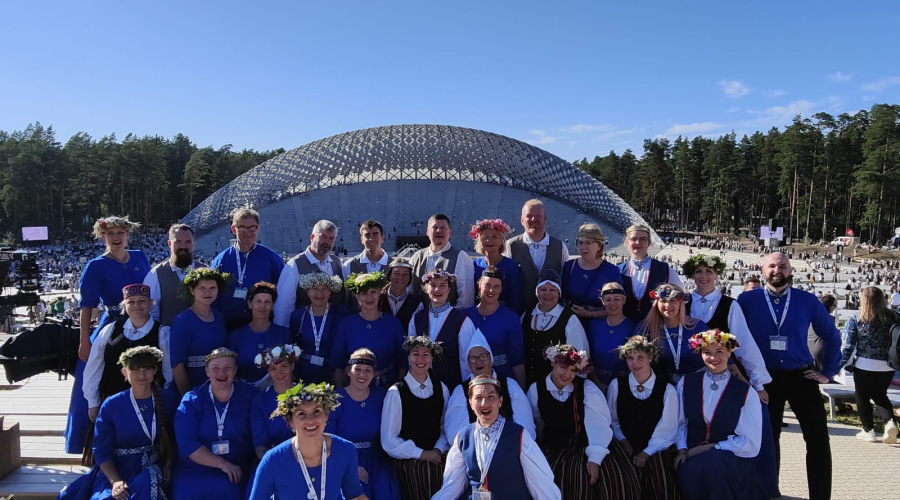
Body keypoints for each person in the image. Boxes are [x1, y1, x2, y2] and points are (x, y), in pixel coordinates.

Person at [737, 252, 841, 500]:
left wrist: (827, 373)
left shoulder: (807, 300)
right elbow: (735, 337)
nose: (778, 270)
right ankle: (768, 494)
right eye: (772, 266)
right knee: (767, 441)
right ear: (763, 271)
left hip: (801, 376)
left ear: (791, 270)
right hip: (764, 380)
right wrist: (743, 374)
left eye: (783, 265)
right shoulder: (747, 300)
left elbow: (832, 335)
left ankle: (820, 496)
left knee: (817, 440)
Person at [683, 254, 777, 496]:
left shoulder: (729, 305)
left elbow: (744, 344)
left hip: (722, 375)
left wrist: (757, 382)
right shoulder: (682, 302)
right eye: (699, 271)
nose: (704, 276)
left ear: (717, 274)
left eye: (709, 271)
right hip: (688, 379)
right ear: (692, 275)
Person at [68, 216, 152, 454]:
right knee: (90, 371)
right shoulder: (96, 265)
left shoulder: (140, 257)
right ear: (102, 236)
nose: (116, 238)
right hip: (113, 324)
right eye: (110, 234)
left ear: (128, 235)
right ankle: (87, 439)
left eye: (120, 233)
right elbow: (87, 306)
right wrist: (85, 340)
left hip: (143, 322)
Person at [58, 346, 179, 500]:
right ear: (125, 372)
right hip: (116, 468)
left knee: (145, 485)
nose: (142, 375)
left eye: (147, 369)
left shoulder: (169, 399)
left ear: (155, 370)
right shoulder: (112, 405)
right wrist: (115, 481)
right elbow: (101, 448)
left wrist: (168, 464)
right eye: (135, 369)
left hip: (152, 465)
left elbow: (175, 439)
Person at [526, 344, 639, 500]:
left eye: (573, 370)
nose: (567, 374)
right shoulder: (536, 390)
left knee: (614, 481)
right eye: (563, 367)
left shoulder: (587, 389)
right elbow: (537, 424)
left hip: (591, 442)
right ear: (553, 363)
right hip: (556, 446)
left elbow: (599, 425)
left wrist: (595, 458)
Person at [673, 330, 767, 500]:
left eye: (719, 352)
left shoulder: (746, 392)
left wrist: (713, 447)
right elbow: (679, 423)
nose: (713, 357)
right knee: (691, 469)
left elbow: (751, 443)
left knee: (713, 464)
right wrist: (682, 449)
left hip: (729, 459)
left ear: (729, 353)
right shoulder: (686, 383)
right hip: (691, 455)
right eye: (707, 352)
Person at [433, 375, 561, 500]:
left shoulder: (519, 435)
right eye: (478, 398)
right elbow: (453, 485)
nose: (484, 403)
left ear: (500, 401)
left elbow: (540, 483)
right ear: (471, 403)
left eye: (491, 397)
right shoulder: (463, 437)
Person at [249, 381, 367, 500]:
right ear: (291, 421)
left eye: (317, 412)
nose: (310, 420)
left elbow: (355, 496)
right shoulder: (273, 460)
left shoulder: (345, 450)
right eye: (301, 414)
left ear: (326, 416)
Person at [171, 348, 257, 500]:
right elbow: (187, 444)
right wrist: (222, 464)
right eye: (215, 368)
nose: (221, 373)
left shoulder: (250, 395)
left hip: (236, 467)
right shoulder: (192, 399)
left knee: (230, 488)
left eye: (227, 367)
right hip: (194, 470)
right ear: (207, 372)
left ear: (235, 370)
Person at [84, 284, 171, 427]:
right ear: (124, 305)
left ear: (150, 303)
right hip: (111, 399)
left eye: (142, 301)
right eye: (131, 302)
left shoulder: (162, 332)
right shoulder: (110, 330)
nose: (137, 305)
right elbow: (94, 366)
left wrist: (165, 398)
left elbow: (168, 371)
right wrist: (92, 402)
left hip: (150, 401)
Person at [606, 336, 679, 500]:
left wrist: (647, 453)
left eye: (640, 357)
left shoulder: (667, 390)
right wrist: (624, 443)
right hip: (625, 445)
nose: (635, 363)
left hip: (657, 447)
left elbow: (668, 427)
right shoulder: (616, 385)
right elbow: (612, 420)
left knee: (660, 479)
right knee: (622, 483)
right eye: (630, 358)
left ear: (650, 358)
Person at [381, 336, 451, 500]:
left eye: (426, 354)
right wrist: (421, 454)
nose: (420, 359)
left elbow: (446, 427)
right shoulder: (396, 392)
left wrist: (437, 450)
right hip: (408, 461)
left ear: (432, 359)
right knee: (420, 473)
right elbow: (389, 439)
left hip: (437, 456)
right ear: (408, 358)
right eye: (415, 354)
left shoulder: (441, 388)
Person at [326, 349, 401, 500]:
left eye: (368, 370)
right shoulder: (335, 400)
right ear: (348, 371)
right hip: (345, 458)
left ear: (374, 374)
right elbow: (328, 440)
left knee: (385, 490)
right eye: (358, 369)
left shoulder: (382, 396)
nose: (362, 374)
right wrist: (349, 467)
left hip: (376, 460)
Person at [445, 331, 535, 442]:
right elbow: (455, 434)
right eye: (473, 358)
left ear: (491, 359)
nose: (478, 362)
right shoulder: (461, 391)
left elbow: (526, 426)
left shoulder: (509, 385)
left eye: (483, 357)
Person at [839, 286, 900, 444]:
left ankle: (868, 430)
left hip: (864, 364)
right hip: (887, 365)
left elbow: (849, 345)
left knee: (862, 397)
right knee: (880, 395)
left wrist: (839, 364)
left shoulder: (857, 318)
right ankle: (890, 422)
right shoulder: (893, 316)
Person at [211, 208, 285, 331]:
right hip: (228, 325)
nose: (248, 232)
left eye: (252, 228)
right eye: (242, 228)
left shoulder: (272, 258)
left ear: (258, 228)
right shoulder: (222, 259)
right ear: (233, 229)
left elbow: (283, 291)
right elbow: (212, 294)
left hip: (261, 326)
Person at [407, 269, 478, 390]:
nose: (437, 290)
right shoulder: (417, 318)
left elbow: (465, 359)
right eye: (433, 285)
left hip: (452, 385)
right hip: (423, 386)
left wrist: (465, 389)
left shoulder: (462, 320)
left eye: (442, 285)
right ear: (426, 289)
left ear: (449, 289)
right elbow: (410, 354)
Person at [332, 272, 406, 387]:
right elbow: (337, 362)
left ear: (379, 293)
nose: (369, 297)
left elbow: (403, 360)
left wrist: (399, 388)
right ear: (357, 296)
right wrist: (341, 391)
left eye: (373, 292)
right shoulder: (347, 323)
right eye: (364, 293)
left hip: (388, 387)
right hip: (355, 387)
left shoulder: (393, 322)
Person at [520, 270, 590, 387]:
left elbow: (579, 357)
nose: (547, 294)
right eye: (543, 289)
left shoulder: (569, 319)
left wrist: (575, 387)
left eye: (552, 290)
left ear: (559, 293)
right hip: (528, 383)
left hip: (557, 387)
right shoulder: (526, 316)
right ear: (537, 292)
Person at [169, 269, 230, 394]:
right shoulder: (183, 321)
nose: (208, 292)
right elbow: (177, 366)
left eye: (212, 288)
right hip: (193, 385)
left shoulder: (218, 316)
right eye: (202, 288)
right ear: (192, 290)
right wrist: (188, 397)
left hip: (217, 386)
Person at [274, 220, 346, 325]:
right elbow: (284, 305)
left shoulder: (337, 262)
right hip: (305, 328)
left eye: (331, 238)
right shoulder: (294, 265)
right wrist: (284, 331)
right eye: (323, 237)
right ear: (312, 237)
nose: (327, 242)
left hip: (334, 327)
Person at [465, 266, 526, 388]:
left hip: (502, 378)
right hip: (472, 379)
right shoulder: (466, 316)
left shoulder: (510, 317)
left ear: (501, 289)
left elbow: (517, 360)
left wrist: (522, 391)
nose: (491, 290)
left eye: (496, 286)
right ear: (479, 285)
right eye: (487, 285)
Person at [504, 199, 570, 313]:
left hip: (551, 313)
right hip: (519, 311)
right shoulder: (511, 245)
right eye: (529, 216)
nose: (534, 219)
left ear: (545, 219)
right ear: (522, 220)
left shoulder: (560, 246)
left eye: (538, 215)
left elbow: (565, 278)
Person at [637, 284, 708, 382]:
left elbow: (717, 353)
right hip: (663, 384)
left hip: (697, 382)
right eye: (663, 301)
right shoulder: (646, 328)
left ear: (680, 303)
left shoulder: (698, 327)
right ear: (656, 303)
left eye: (673, 301)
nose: (667, 305)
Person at [227, 281, 291, 385]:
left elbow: (290, 369)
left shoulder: (284, 334)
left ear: (273, 305)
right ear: (250, 304)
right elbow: (230, 370)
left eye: (267, 302)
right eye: (258, 301)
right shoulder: (236, 336)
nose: (262, 306)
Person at [289, 272, 348, 384]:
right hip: (304, 372)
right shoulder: (298, 316)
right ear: (307, 291)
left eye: (325, 289)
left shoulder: (341, 313)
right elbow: (293, 345)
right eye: (314, 289)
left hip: (332, 373)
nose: (319, 294)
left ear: (330, 291)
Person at [408, 213, 475, 308]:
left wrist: (454, 315)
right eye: (435, 227)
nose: (439, 231)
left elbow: (466, 297)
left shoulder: (461, 257)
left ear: (450, 232)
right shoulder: (416, 257)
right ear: (427, 231)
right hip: (419, 315)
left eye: (443, 228)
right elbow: (409, 290)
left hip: (450, 316)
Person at [561, 223, 622, 326]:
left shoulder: (611, 270)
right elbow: (562, 297)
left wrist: (590, 314)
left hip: (599, 325)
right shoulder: (570, 266)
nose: (583, 247)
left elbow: (617, 307)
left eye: (588, 243)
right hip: (571, 323)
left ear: (599, 246)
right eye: (580, 243)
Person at [617, 224, 680, 322]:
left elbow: (679, 298)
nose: (638, 242)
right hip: (624, 325)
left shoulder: (664, 269)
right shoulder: (618, 270)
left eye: (643, 239)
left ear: (649, 243)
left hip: (656, 325)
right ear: (627, 242)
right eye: (633, 239)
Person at [251, 344, 303, 459]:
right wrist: (273, 462)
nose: (279, 373)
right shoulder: (260, 400)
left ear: (292, 366)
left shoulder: (308, 394)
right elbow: (260, 444)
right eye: (273, 369)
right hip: (274, 458)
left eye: (284, 366)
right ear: (268, 371)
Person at [144, 223, 200, 326]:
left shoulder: (205, 270)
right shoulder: (156, 274)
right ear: (169, 243)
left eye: (187, 242)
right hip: (168, 333)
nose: (183, 246)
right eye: (178, 242)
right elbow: (151, 312)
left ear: (194, 244)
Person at [469, 218, 523, 313]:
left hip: (504, 314)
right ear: (480, 241)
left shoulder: (511, 266)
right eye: (485, 237)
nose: (489, 240)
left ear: (501, 240)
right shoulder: (474, 265)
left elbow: (515, 298)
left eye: (494, 237)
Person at [587, 283, 634, 387]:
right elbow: (588, 356)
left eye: (617, 299)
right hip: (597, 384)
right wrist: (597, 383)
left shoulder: (633, 327)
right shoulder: (594, 325)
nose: (612, 303)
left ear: (624, 300)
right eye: (608, 300)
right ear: (602, 301)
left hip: (624, 384)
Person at [379, 259, 424, 333]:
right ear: (389, 276)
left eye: (405, 274)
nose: (400, 277)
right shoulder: (377, 299)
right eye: (396, 273)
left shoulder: (417, 305)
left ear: (409, 278)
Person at [809, 294, 838, 372]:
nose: (835, 308)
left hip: (810, 348)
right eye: (834, 305)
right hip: (821, 350)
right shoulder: (828, 319)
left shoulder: (812, 315)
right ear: (829, 305)